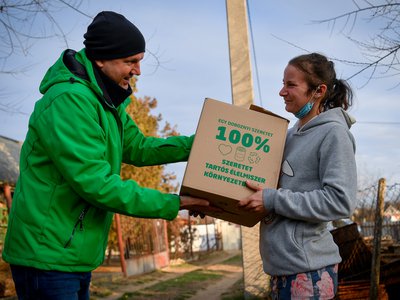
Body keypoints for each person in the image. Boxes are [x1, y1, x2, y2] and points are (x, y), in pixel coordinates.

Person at [2, 11, 214, 300]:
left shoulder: (106, 101)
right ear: (101, 59)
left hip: (72, 251)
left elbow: (139, 147)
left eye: (139, 60)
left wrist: (199, 145)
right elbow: (96, 183)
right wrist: (173, 203)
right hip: (47, 256)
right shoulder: (69, 101)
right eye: (130, 61)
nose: (138, 70)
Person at [239, 52, 357, 299]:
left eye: (290, 85)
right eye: (283, 84)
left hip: (309, 270)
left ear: (318, 91)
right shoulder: (288, 136)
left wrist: (272, 200)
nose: (282, 92)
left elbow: (340, 201)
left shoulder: (333, 134)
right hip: (280, 268)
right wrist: (217, 200)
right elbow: (271, 192)